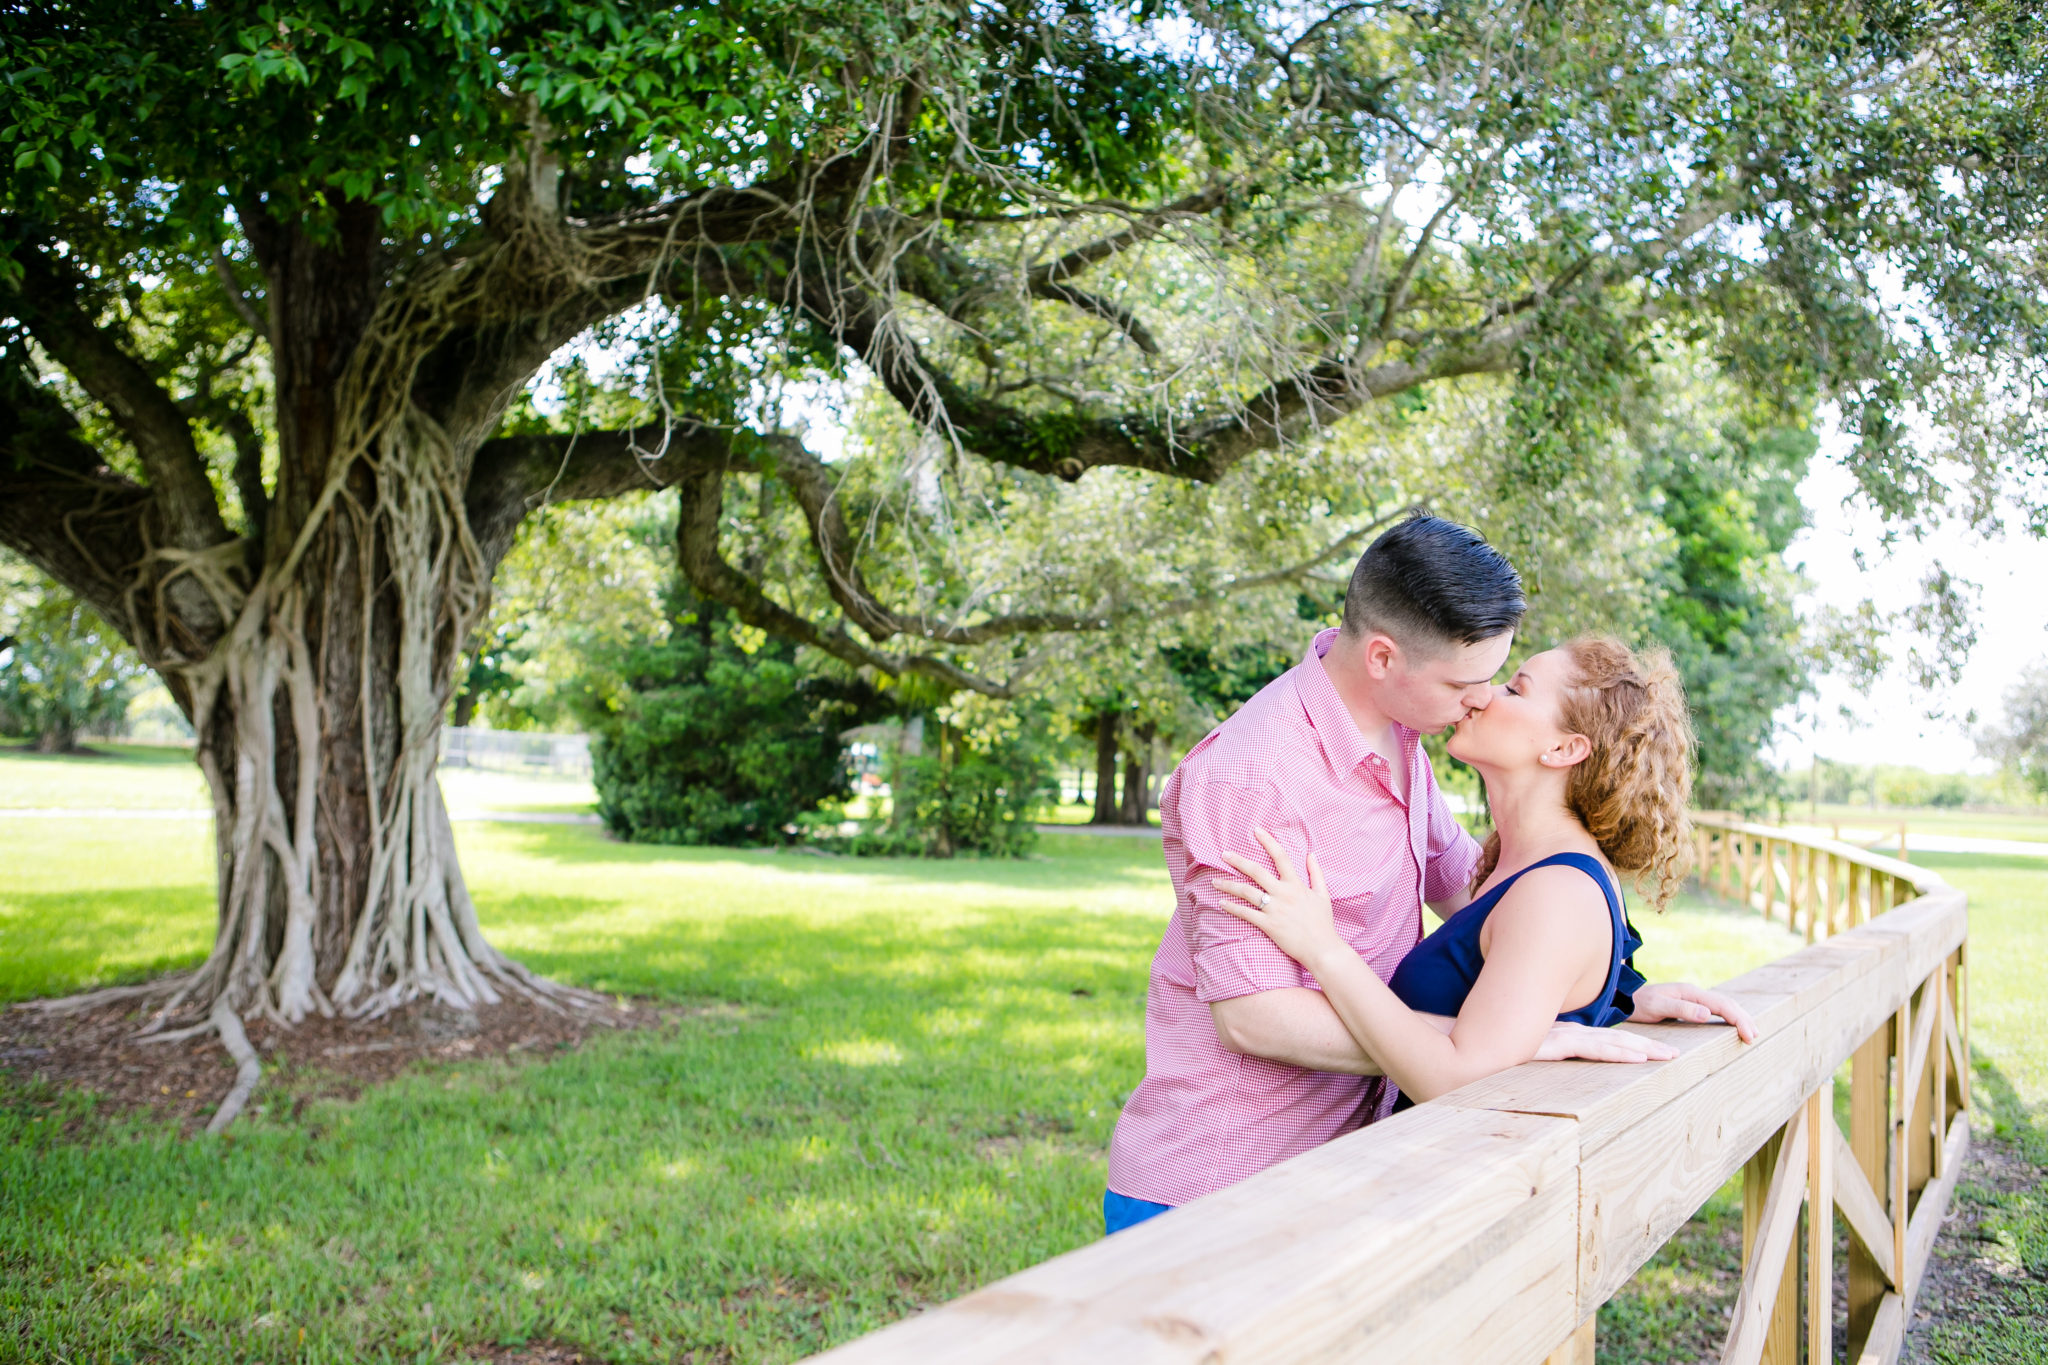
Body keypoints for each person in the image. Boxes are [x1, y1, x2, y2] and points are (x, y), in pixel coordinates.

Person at [1101, 516, 1753, 1237]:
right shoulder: (1248, 775)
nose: (1480, 699)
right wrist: (1500, 1044)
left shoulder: (1403, 728)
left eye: (1498, 680)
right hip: (1219, 1181)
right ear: (1384, 657)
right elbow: (1254, 1016)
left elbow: (1465, 888)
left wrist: (1600, 993)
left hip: (1351, 1170)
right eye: (1468, 682)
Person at [1215, 636, 1754, 1112]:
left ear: (1564, 748)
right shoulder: (1512, 863)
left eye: (1516, 690)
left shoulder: (1556, 892)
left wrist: (1323, 948)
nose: (1482, 694)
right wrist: (1618, 1003)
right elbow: (1525, 992)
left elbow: (1454, 1074)